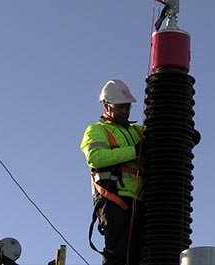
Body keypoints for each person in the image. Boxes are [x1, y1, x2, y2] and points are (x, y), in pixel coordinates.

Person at [80, 79, 144, 265]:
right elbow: (96, 157)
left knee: (141, 254)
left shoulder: (138, 132)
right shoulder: (96, 131)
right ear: (107, 106)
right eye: (120, 107)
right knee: (117, 252)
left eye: (127, 107)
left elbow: (165, 134)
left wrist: (186, 133)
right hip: (113, 197)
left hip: (139, 200)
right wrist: (134, 151)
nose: (125, 111)